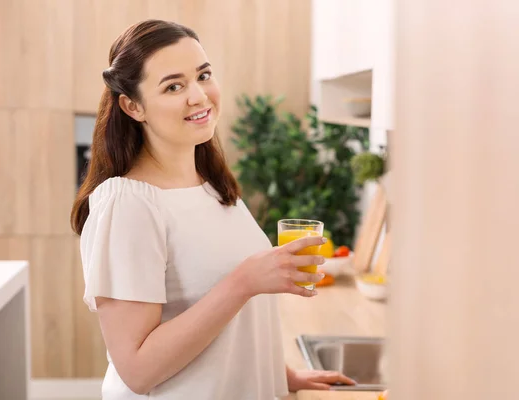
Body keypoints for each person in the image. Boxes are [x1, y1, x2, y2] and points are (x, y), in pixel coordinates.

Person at [70, 19, 355, 400]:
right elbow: (137, 370)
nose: (199, 96)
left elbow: (223, 327)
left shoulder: (214, 188)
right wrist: (243, 283)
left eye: (203, 76)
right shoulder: (128, 205)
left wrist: (279, 373)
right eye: (174, 86)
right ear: (133, 106)